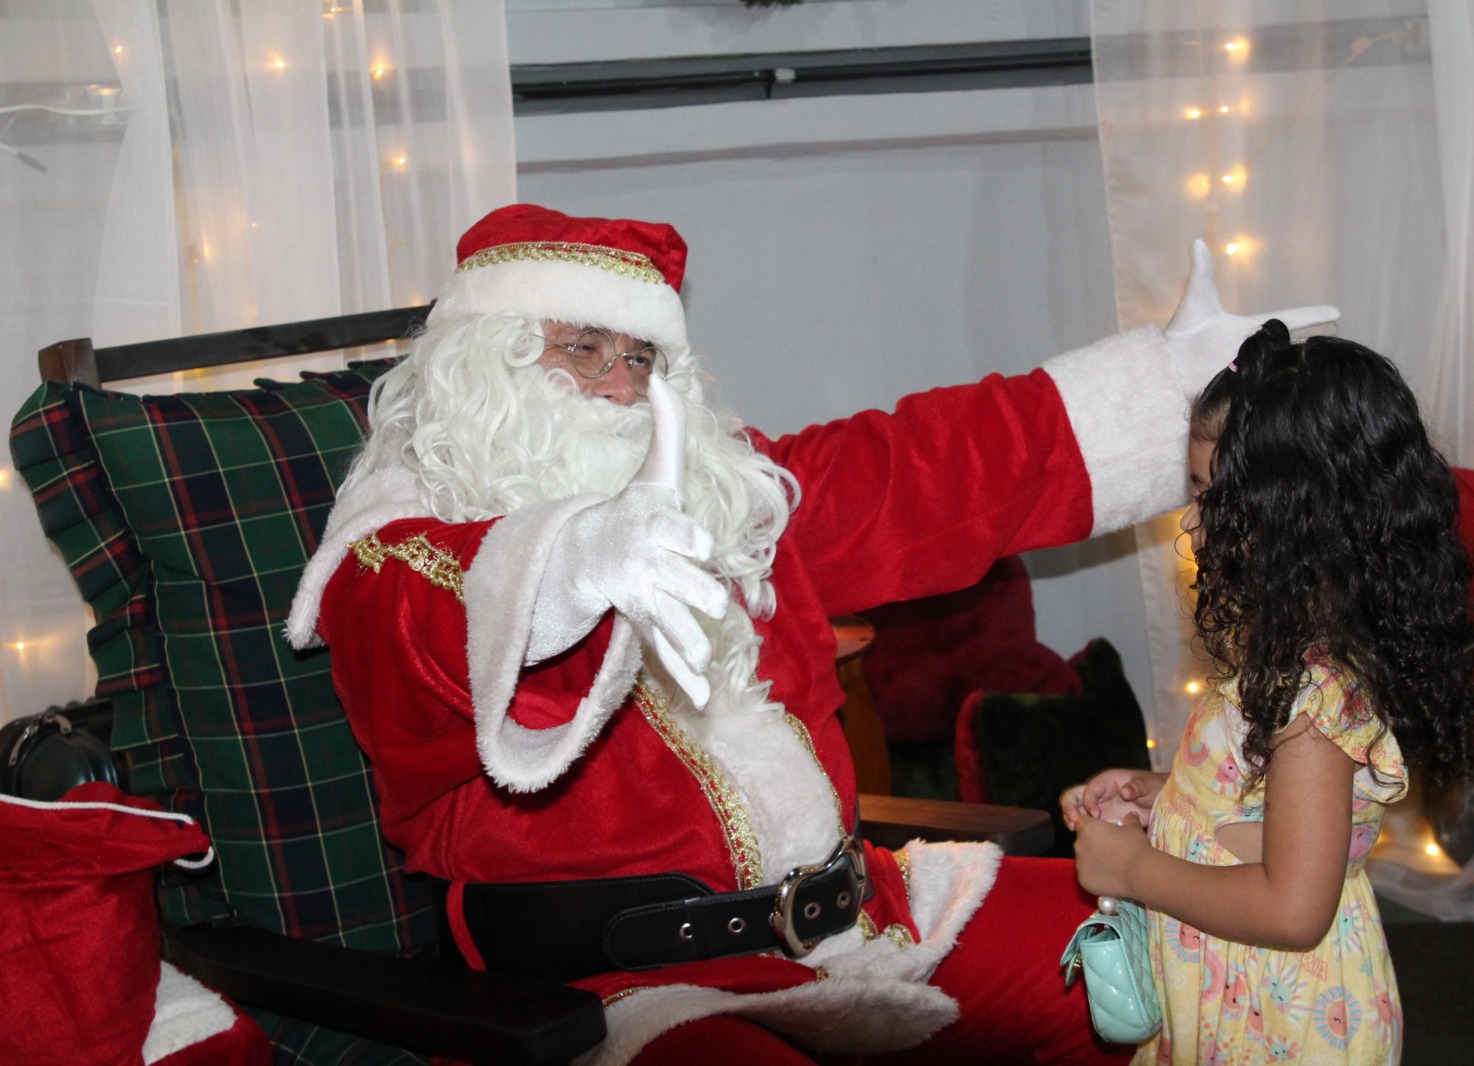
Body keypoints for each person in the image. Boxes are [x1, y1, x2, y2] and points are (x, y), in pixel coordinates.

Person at [286, 203, 1335, 1065]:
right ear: (486, 364)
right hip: (631, 984)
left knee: (1202, 959)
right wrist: (576, 561)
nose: (618, 382)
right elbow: (437, 624)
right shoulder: (396, 553)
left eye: (641, 353)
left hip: (863, 924)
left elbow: (926, 468)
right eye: (579, 347)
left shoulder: (726, 490)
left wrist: (1174, 389)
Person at [1062, 321, 1474, 1065]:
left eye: (1215, 501)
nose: (1192, 522)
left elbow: (1293, 909)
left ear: (1304, 520)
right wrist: (1167, 797)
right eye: (1194, 493)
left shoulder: (1315, 700)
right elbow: (1273, 807)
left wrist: (1130, 869)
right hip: (1233, 984)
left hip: (1278, 1017)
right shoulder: (1293, 647)